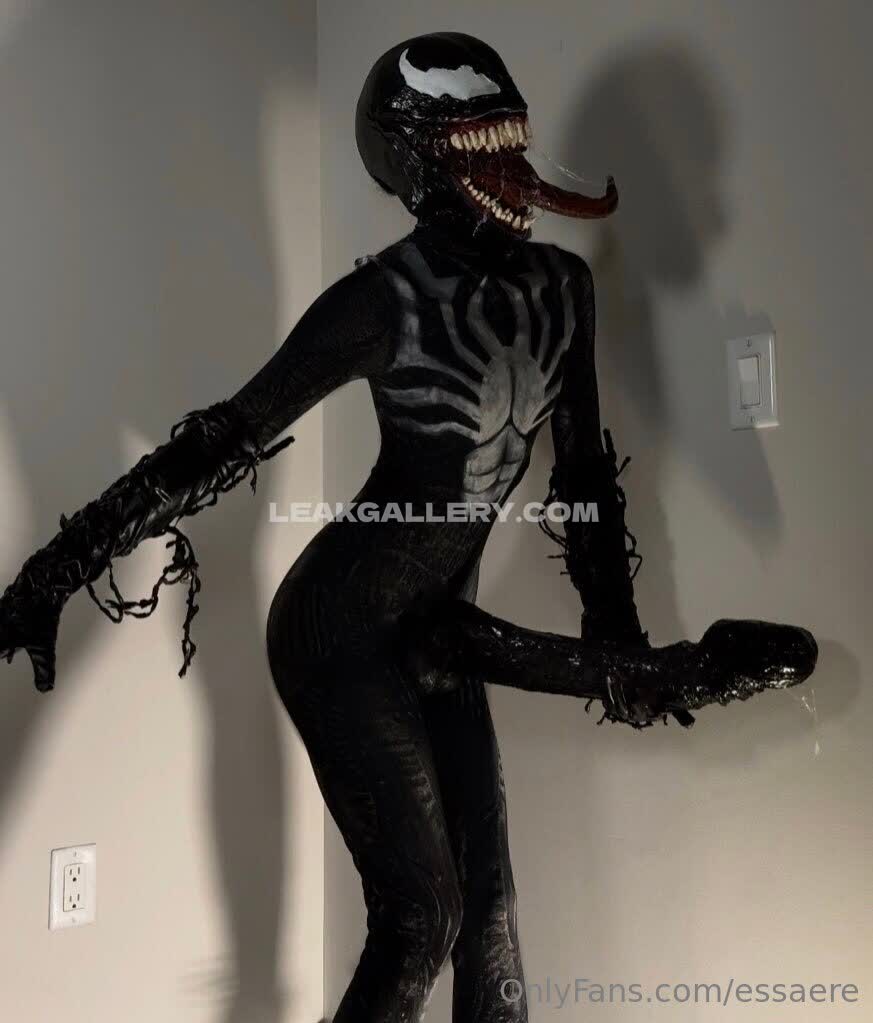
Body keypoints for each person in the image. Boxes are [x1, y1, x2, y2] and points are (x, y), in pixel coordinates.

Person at [0, 33, 816, 1023]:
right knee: (422, 919)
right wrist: (53, 572)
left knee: (492, 917)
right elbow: (221, 439)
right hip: (339, 631)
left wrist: (618, 640)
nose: (510, 175)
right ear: (416, 165)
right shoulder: (380, 302)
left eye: (511, 142)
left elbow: (584, 479)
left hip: (440, 629)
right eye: (478, 149)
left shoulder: (562, 288)